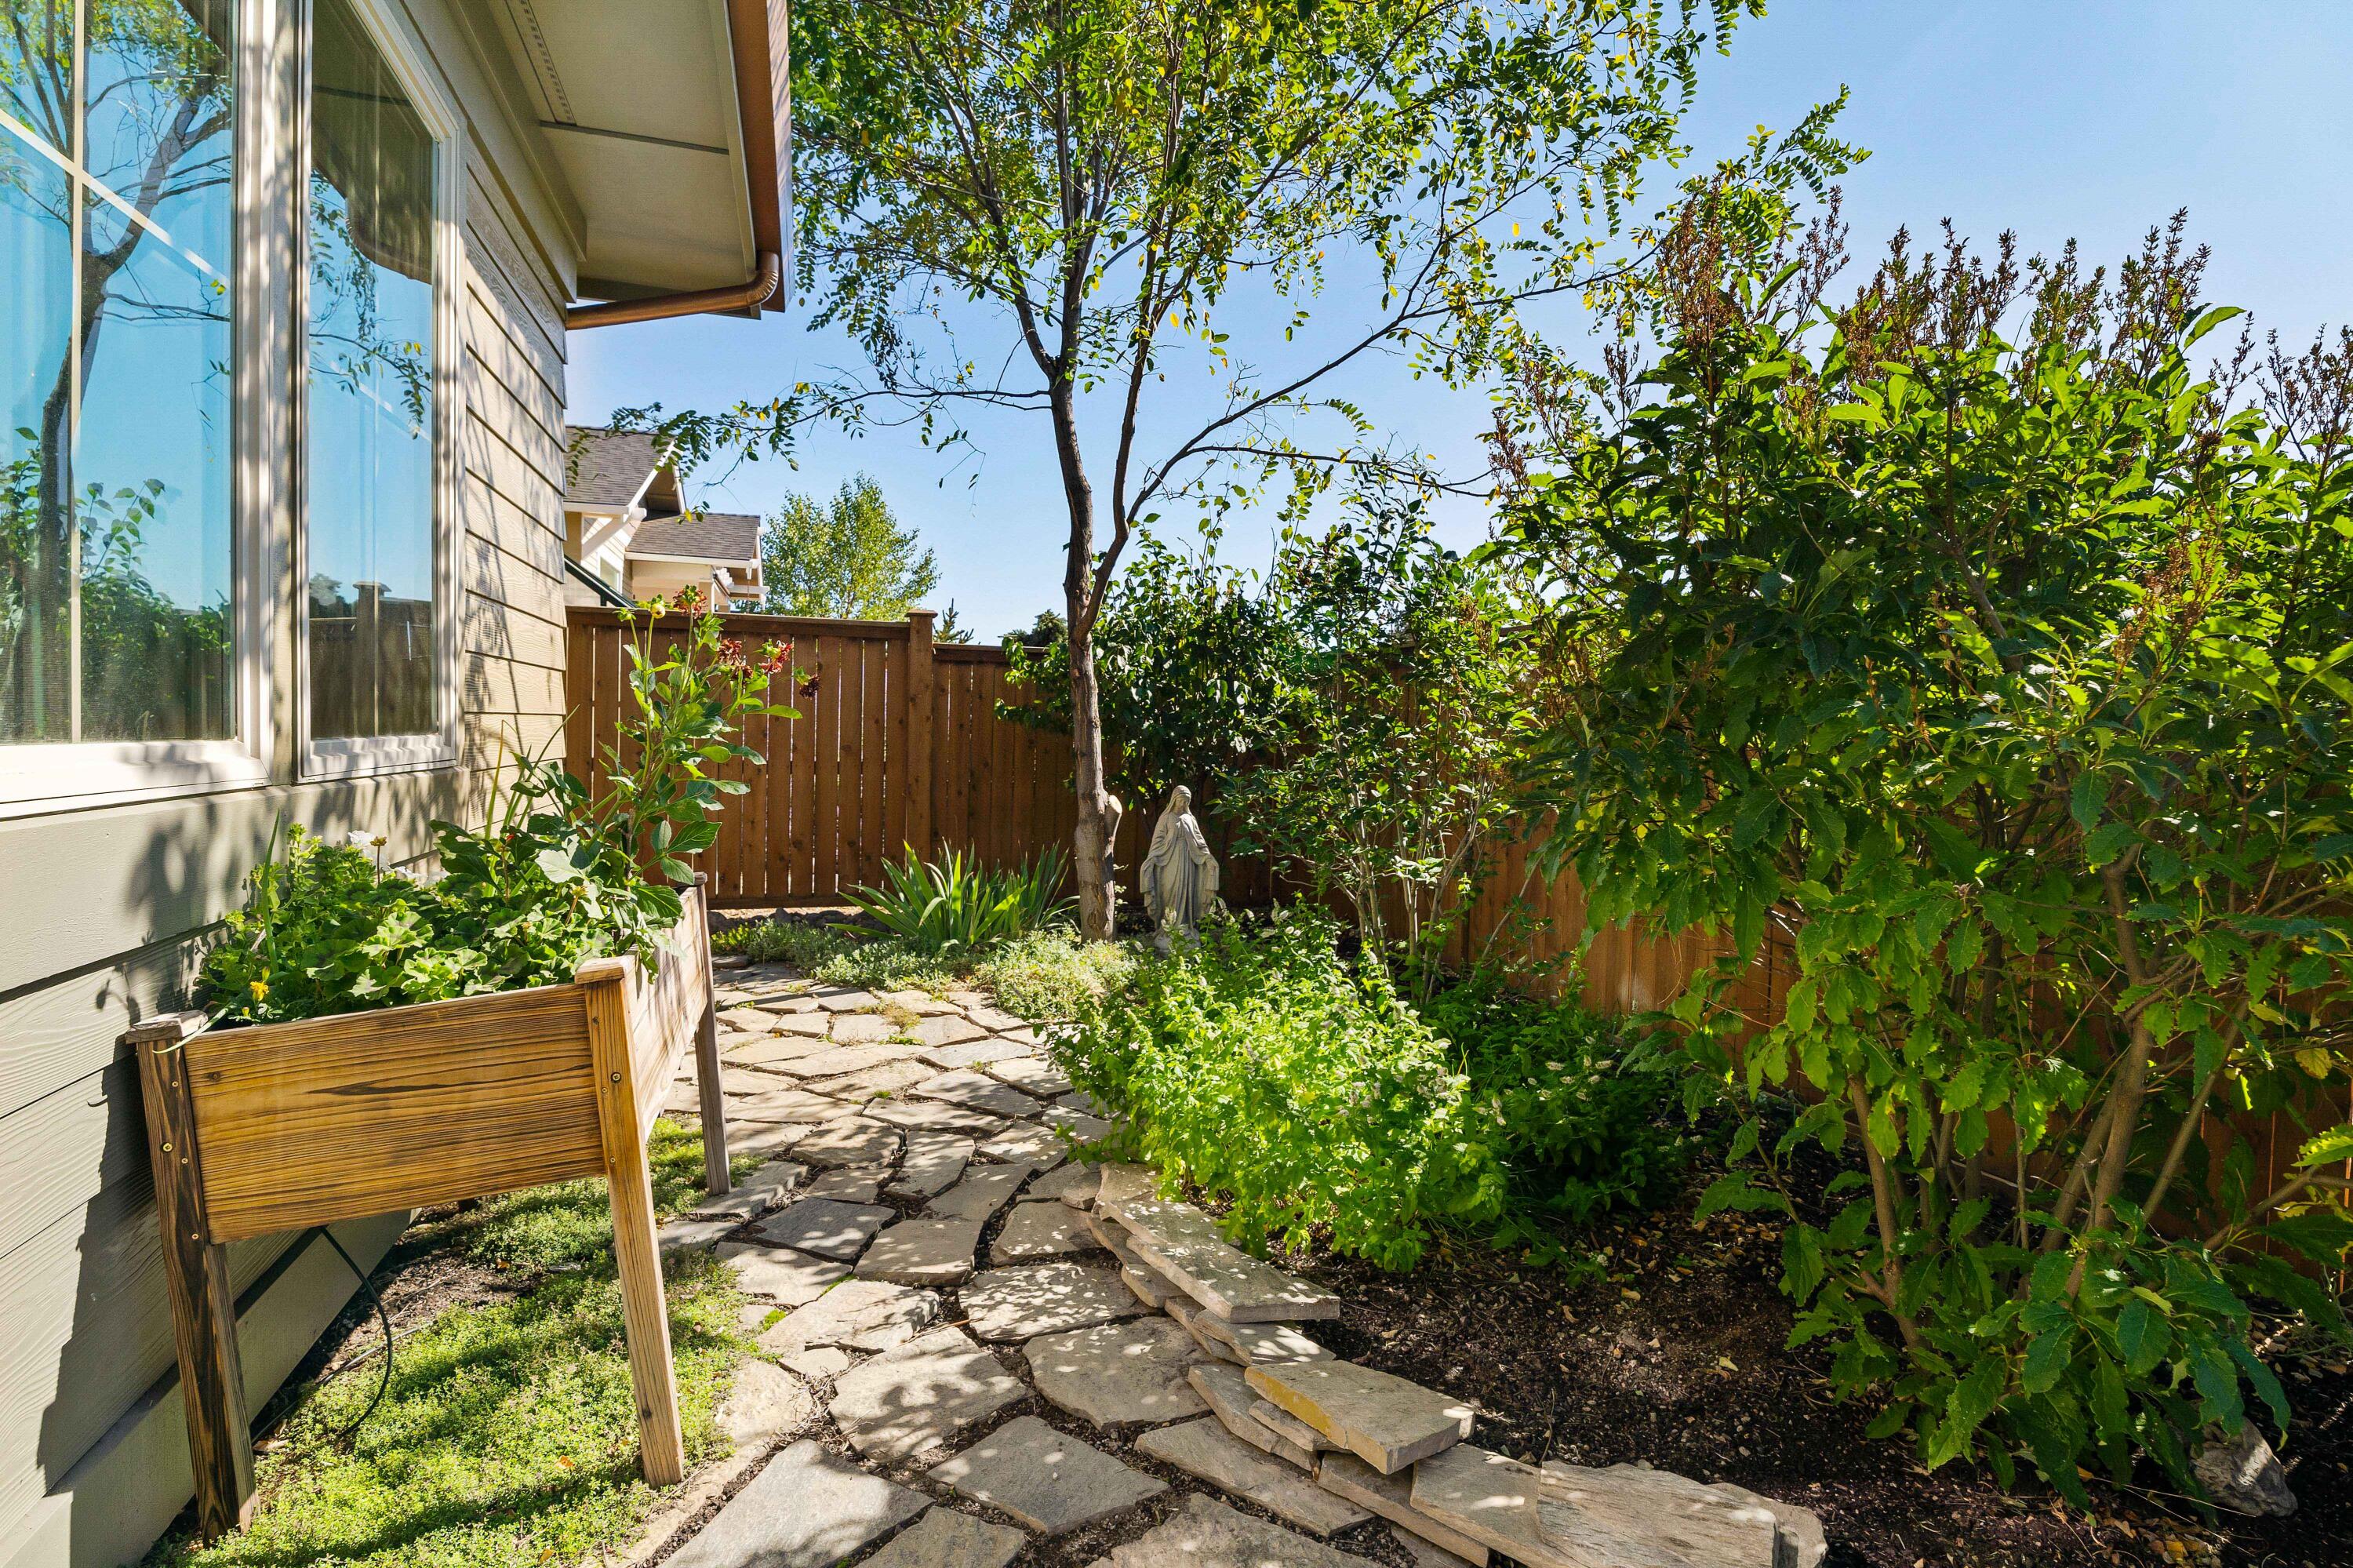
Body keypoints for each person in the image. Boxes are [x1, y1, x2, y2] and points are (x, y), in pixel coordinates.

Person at [1139, 784, 1219, 952]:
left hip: (1188, 862)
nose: (1183, 804)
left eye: (1186, 802)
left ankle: (1185, 927)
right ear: (1174, 800)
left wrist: (1207, 857)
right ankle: (1168, 929)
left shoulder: (1190, 819)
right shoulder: (1166, 818)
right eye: (1181, 800)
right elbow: (1157, 841)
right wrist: (1154, 857)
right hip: (1169, 861)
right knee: (1169, 891)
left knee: (1186, 892)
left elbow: (1199, 841)